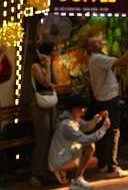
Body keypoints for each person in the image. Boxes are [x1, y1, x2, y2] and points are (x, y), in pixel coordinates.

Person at [86, 33, 128, 179]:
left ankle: (103, 164)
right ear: (92, 47)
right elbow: (123, 61)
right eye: (97, 41)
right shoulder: (99, 59)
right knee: (113, 132)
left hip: (101, 100)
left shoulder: (94, 59)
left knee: (104, 132)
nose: (101, 41)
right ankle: (112, 167)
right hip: (109, 100)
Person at [48, 96, 110, 189]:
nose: (84, 110)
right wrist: (103, 129)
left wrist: (99, 118)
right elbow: (86, 139)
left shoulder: (72, 119)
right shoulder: (67, 125)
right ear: (74, 109)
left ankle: (74, 177)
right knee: (91, 154)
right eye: (82, 108)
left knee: (91, 153)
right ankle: (75, 178)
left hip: (65, 154)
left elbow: (86, 126)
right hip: (59, 160)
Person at [30, 42, 58, 187]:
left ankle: (46, 170)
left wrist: (51, 64)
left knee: (51, 137)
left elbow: (56, 80)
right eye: (53, 51)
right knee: (42, 138)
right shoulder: (35, 67)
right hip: (40, 106)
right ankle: (36, 174)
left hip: (51, 104)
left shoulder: (49, 63)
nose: (55, 54)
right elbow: (46, 83)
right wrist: (46, 65)